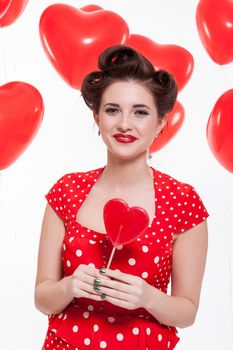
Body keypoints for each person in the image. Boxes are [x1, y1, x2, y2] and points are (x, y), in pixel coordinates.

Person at [35, 45, 209, 350]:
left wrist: (148, 297)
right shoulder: (67, 191)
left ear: (160, 123)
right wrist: (69, 286)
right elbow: (42, 297)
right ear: (97, 117)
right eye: (112, 110)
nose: (124, 124)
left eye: (140, 112)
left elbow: (187, 311)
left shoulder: (183, 202)